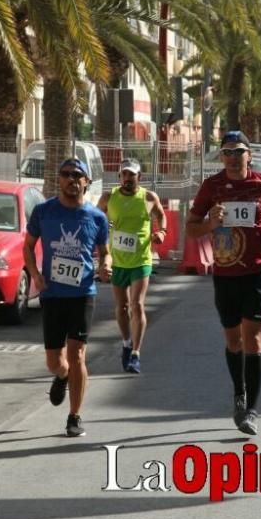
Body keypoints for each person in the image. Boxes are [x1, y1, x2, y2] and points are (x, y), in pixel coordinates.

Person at [185, 131, 261, 436]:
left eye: (237, 151)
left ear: (249, 154)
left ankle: (251, 410)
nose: (231, 157)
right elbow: (191, 229)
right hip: (226, 274)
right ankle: (239, 392)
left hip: (259, 270)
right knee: (233, 340)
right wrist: (211, 224)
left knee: (253, 339)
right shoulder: (211, 187)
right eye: (226, 152)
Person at [24, 158, 111, 437]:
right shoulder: (43, 211)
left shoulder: (97, 217)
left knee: (77, 354)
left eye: (77, 175)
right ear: (58, 179)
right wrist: (35, 274)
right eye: (66, 174)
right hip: (52, 294)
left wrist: (106, 264)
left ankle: (75, 416)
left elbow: (105, 251)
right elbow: (28, 247)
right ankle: (61, 376)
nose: (71, 179)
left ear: (86, 181)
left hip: (83, 293)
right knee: (54, 361)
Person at [96, 158, 167, 374]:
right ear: (119, 177)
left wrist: (162, 232)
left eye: (132, 175)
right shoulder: (109, 197)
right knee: (122, 307)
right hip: (117, 261)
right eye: (124, 174)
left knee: (137, 305)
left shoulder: (148, 197)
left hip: (141, 260)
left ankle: (136, 353)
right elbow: (96, 220)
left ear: (139, 177)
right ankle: (126, 343)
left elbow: (161, 216)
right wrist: (103, 231)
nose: (128, 179)